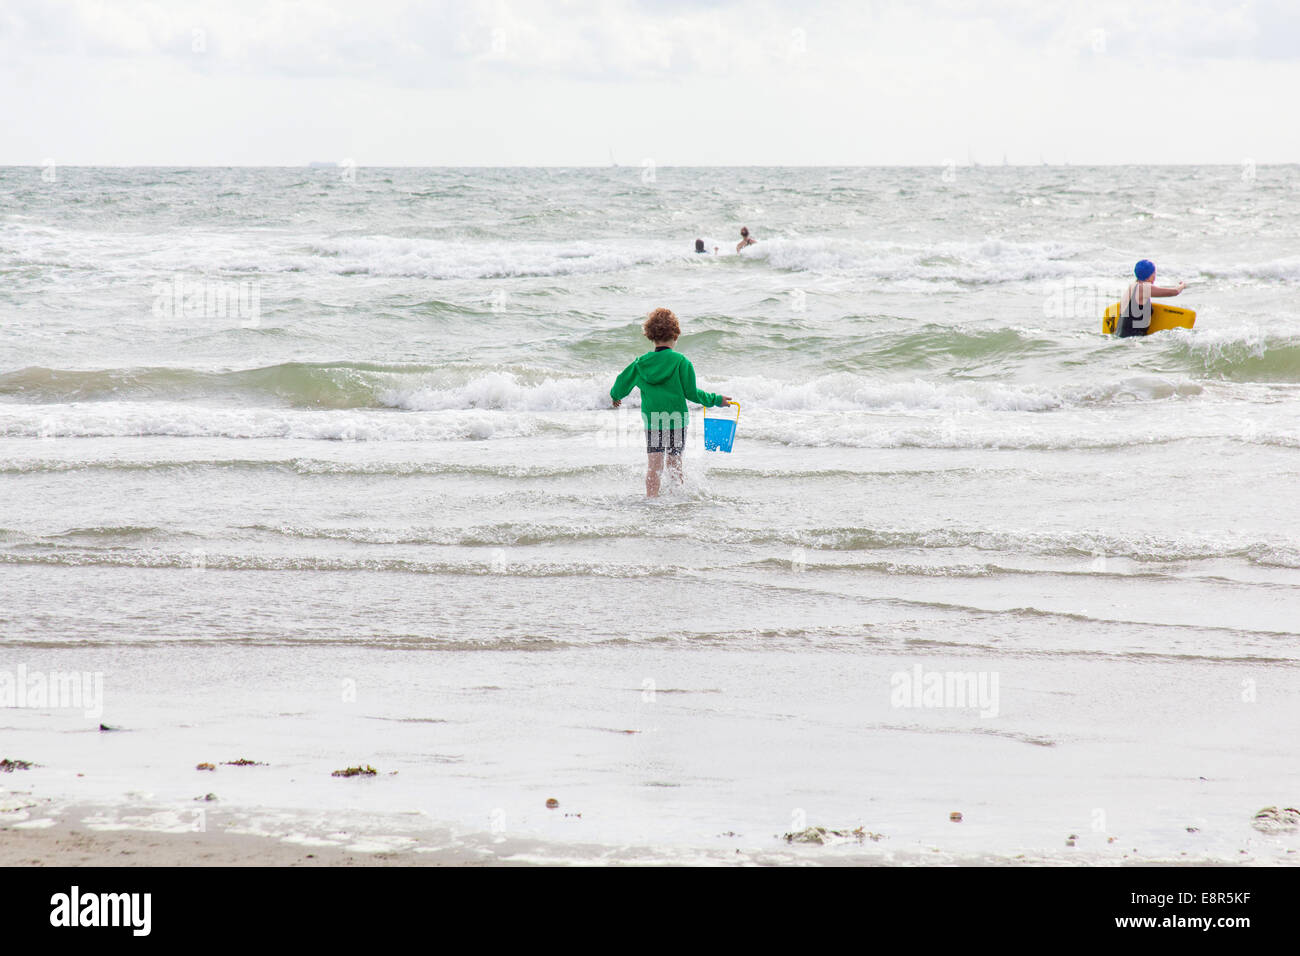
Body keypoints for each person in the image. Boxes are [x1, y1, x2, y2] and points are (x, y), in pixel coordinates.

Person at [610, 308, 733, 497]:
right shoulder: (681, 362)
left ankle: (651, 499)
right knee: (675, 463)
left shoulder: (640, 364)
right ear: (675, 335)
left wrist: (616, 396)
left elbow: (621, 382)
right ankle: (677, 499)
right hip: (677, 421)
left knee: (654, 465)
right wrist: (716, 400)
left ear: (651, 336)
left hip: (653, 421)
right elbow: (692, 393)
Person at [1120, 259, 1185, 337]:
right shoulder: (1143, 288)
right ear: (1149, 275)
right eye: (1154, 273)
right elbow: (1175, 292)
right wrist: (1182, 285)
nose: (1155, 276)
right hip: (1133, 340)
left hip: (1122, 336)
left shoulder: (1132, 287)